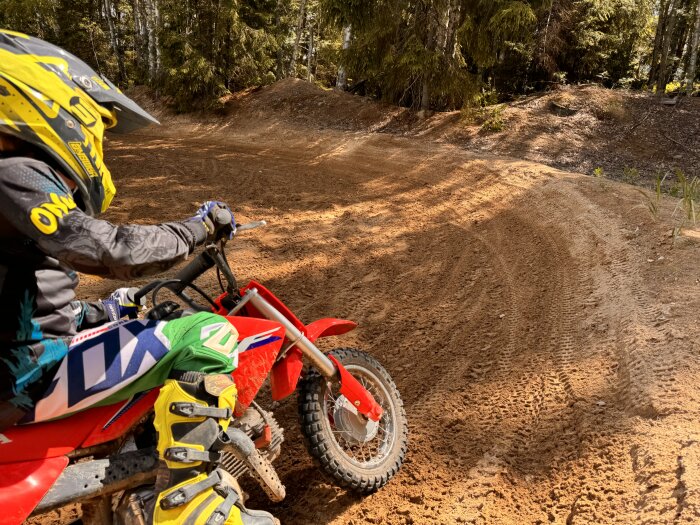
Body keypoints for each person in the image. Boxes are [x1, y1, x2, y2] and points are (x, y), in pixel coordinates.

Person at [0, 29, 277, 525]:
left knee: (136, 329)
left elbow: (25, 296)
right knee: (210, 333)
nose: (98, 142)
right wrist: (196, 228)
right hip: (24, 381)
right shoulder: (12, 172)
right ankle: (190, 507)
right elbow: (108, 249)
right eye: (98, 127)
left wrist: (100, 311)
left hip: (20, 366)